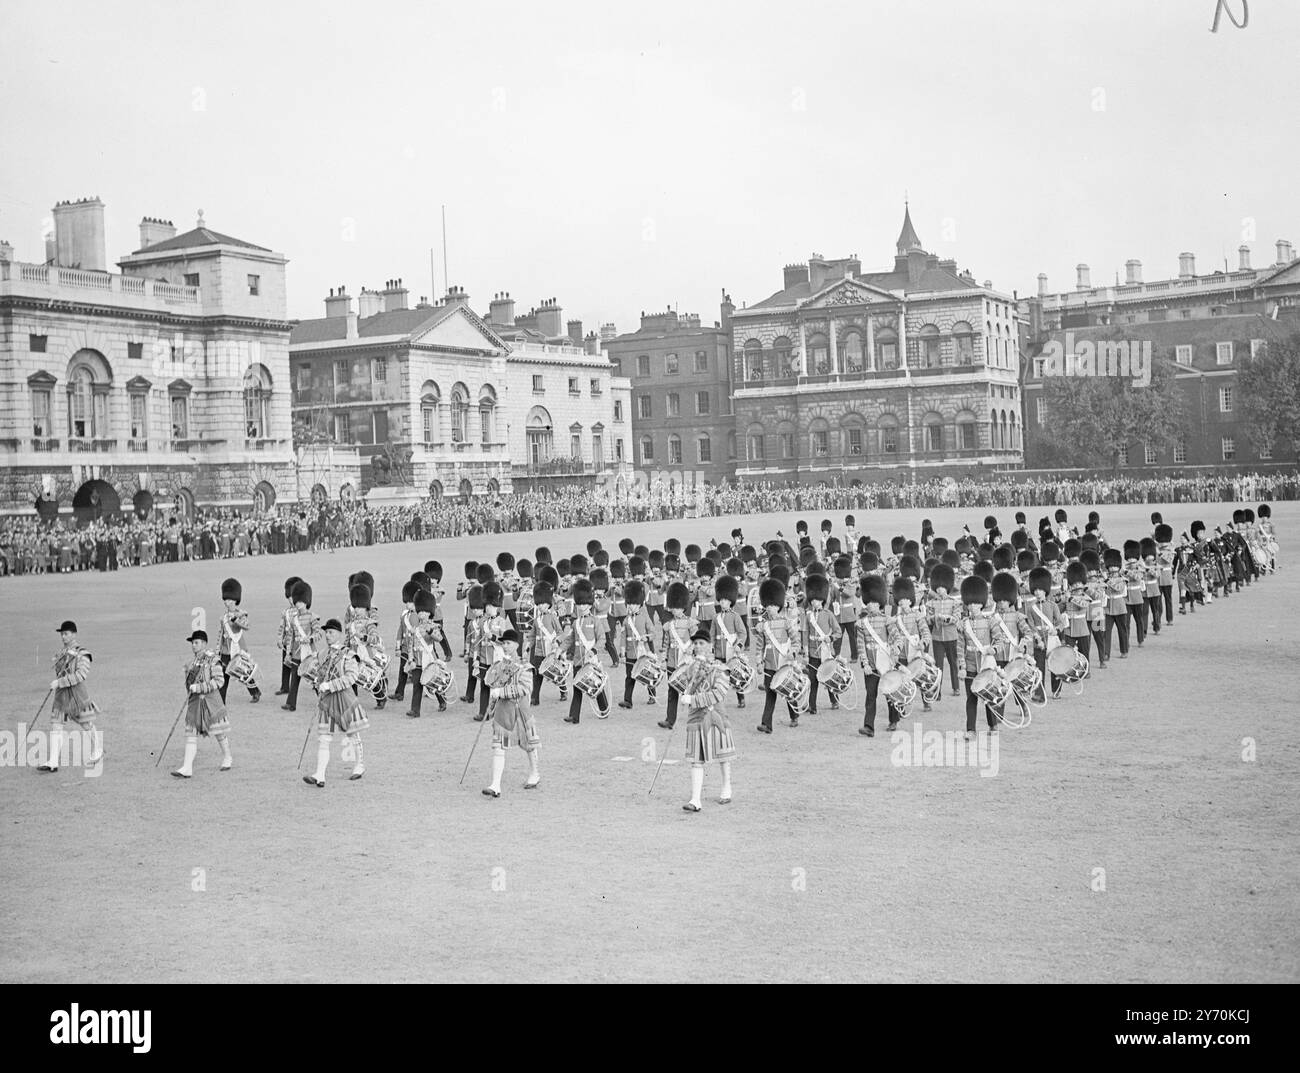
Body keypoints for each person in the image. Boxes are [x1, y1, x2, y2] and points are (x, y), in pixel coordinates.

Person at [302, 618, 368, 787]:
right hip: (327, 701)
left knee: (353, 734)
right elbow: (318, 673)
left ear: (339, 634)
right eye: (326, 633)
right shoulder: (323, 654)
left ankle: (359, 766)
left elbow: (351, 677)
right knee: (324, 738)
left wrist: (330, 685)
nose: (327, 636)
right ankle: (320, 775)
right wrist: (316, 680)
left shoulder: (348, 654)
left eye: (331, 632)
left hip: (344, 698)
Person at [679, 629, 735, 813]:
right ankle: (695, 799)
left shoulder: (721, 668)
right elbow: (685, 686)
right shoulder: (691, 667)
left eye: (701, 643)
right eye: (695, 644)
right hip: (696, 717)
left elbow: (718, 693)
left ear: (710, 646)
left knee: (723, 756)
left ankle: (726, 787)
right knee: (696, 760)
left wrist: (693, 700)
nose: (698, 647)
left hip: (716, 715)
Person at [37, 620, 102, 773]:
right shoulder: (61, 653)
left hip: (77, 697)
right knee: (56, 726)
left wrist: (59, 682)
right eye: (62, 634)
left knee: (86, 724)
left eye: (66, 634)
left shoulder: (83, 653)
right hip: (61, 697)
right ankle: (52, 762)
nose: (63, 637)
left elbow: (81, 675)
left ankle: (97, 749)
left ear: (74, 634)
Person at [482, 631, 540, 797]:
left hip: (520, 711)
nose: (505, 646)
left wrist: (502, 691)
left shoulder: (525, 666)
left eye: (508, 643)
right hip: (503, 712)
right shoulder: (500, 665)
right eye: (503, 643)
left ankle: (535, 773)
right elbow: (491, 681)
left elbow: (525, 688)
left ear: (516, 645)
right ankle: (495, 785)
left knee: (528, 744)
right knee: (499, 747)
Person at [173, 629, 232, 778]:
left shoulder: (213, 660)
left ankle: (227, 756)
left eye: (196, 642)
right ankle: (187, 768)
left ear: (204, 644)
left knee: (218, 731)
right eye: (192, 643)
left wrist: (199, 687)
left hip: (211, 702)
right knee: (190, 733)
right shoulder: (191, 663)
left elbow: (219, 681)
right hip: (195, 703)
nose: (193, 645)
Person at [217, 577, 261, 704]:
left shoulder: (241, 614)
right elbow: (221, 634)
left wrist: (236, 620)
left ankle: (255, 691)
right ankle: (221, 700)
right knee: (224, 675)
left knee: (244, 672)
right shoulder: (223, 617)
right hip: (225, 650)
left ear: (236, 600)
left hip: (238, 648)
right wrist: (217, 650)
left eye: (230, 599)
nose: (227, 602)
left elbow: (247, 626)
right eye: (226, 599)